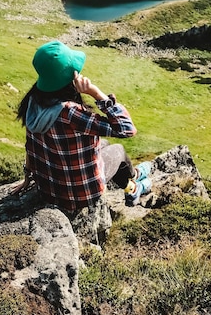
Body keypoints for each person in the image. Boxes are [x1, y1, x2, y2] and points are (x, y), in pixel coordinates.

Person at [13, 40, 152, 212]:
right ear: (71, 77)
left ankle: (132, 179)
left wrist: (27, 176)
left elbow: (31, 146)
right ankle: (134, 185)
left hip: (49, 190)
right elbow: (126, 128)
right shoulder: (70, 113)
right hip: (82, 193)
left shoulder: (33, 102)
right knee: (118, 150)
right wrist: (96, 93)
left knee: (104, 145)